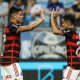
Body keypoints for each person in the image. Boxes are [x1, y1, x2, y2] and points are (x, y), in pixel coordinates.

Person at [0, 7, 45, 80]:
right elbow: (29, 27)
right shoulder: (12, 27)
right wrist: (41, 19)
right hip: (11, 61)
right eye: (20, 15)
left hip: (4, 62)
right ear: (14, 16)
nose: (22, 16)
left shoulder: (7, 27)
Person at [51, 9, 80, 80]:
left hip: (73, 66)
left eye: (63, 23)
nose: (62, 24)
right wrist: (55, 19)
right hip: (78, 64)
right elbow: (58, 29)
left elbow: (55, 31)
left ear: (68, 23)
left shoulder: (69, 32)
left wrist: (51, 18)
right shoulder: (74, 31)